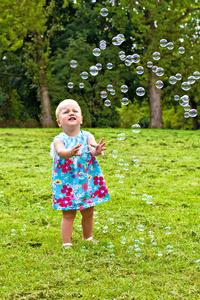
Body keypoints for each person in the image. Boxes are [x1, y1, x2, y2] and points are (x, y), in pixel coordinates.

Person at [51, 99, 110, 248]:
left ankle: (87, 238)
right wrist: (70, 152)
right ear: (59, 122)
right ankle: (67, 243)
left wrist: (96, 150)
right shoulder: (59, 139)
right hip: (67, 182)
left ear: (81, 119)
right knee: (69, 213)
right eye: (66, 112)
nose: (71, 112)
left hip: (87, 181)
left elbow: (92, 149)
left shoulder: (87, 136)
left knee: (88, 211)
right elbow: (61, 152)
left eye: (75, 111)